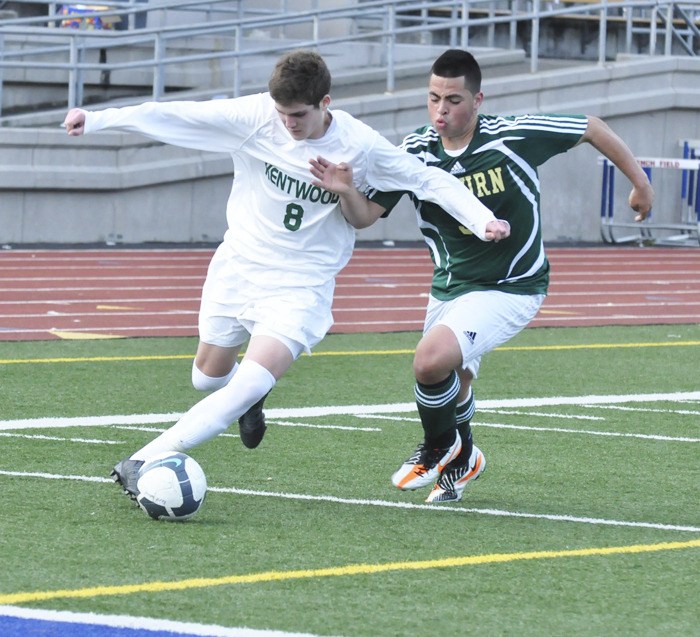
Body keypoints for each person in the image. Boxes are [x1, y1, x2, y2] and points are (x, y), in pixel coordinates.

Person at [63, 49, 511, 499]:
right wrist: (99, 120)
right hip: (239, 265)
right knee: (207, 377)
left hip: (302, 283)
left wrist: (481, 219)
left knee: (251, 379)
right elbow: (178, 115)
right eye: (282, 114)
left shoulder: (358, 143)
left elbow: (427, 179)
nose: (289, 125)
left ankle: (144, 459)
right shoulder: (255, 116)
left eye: (298, 115)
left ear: (325, 103)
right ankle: (248, 400)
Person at [309, 48, 654, 504]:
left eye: (453, 100)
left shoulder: (512, 136)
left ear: (477, 100)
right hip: (450, 287)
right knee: (457, 381)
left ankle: (440, 447)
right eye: (433, 98)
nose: (441, 110)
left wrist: (641, 183)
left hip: (513, 286)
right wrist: (345, 191)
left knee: (430, 361)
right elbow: (365, 216)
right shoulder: (414, 151)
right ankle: (465, 457)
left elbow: (591, 126)